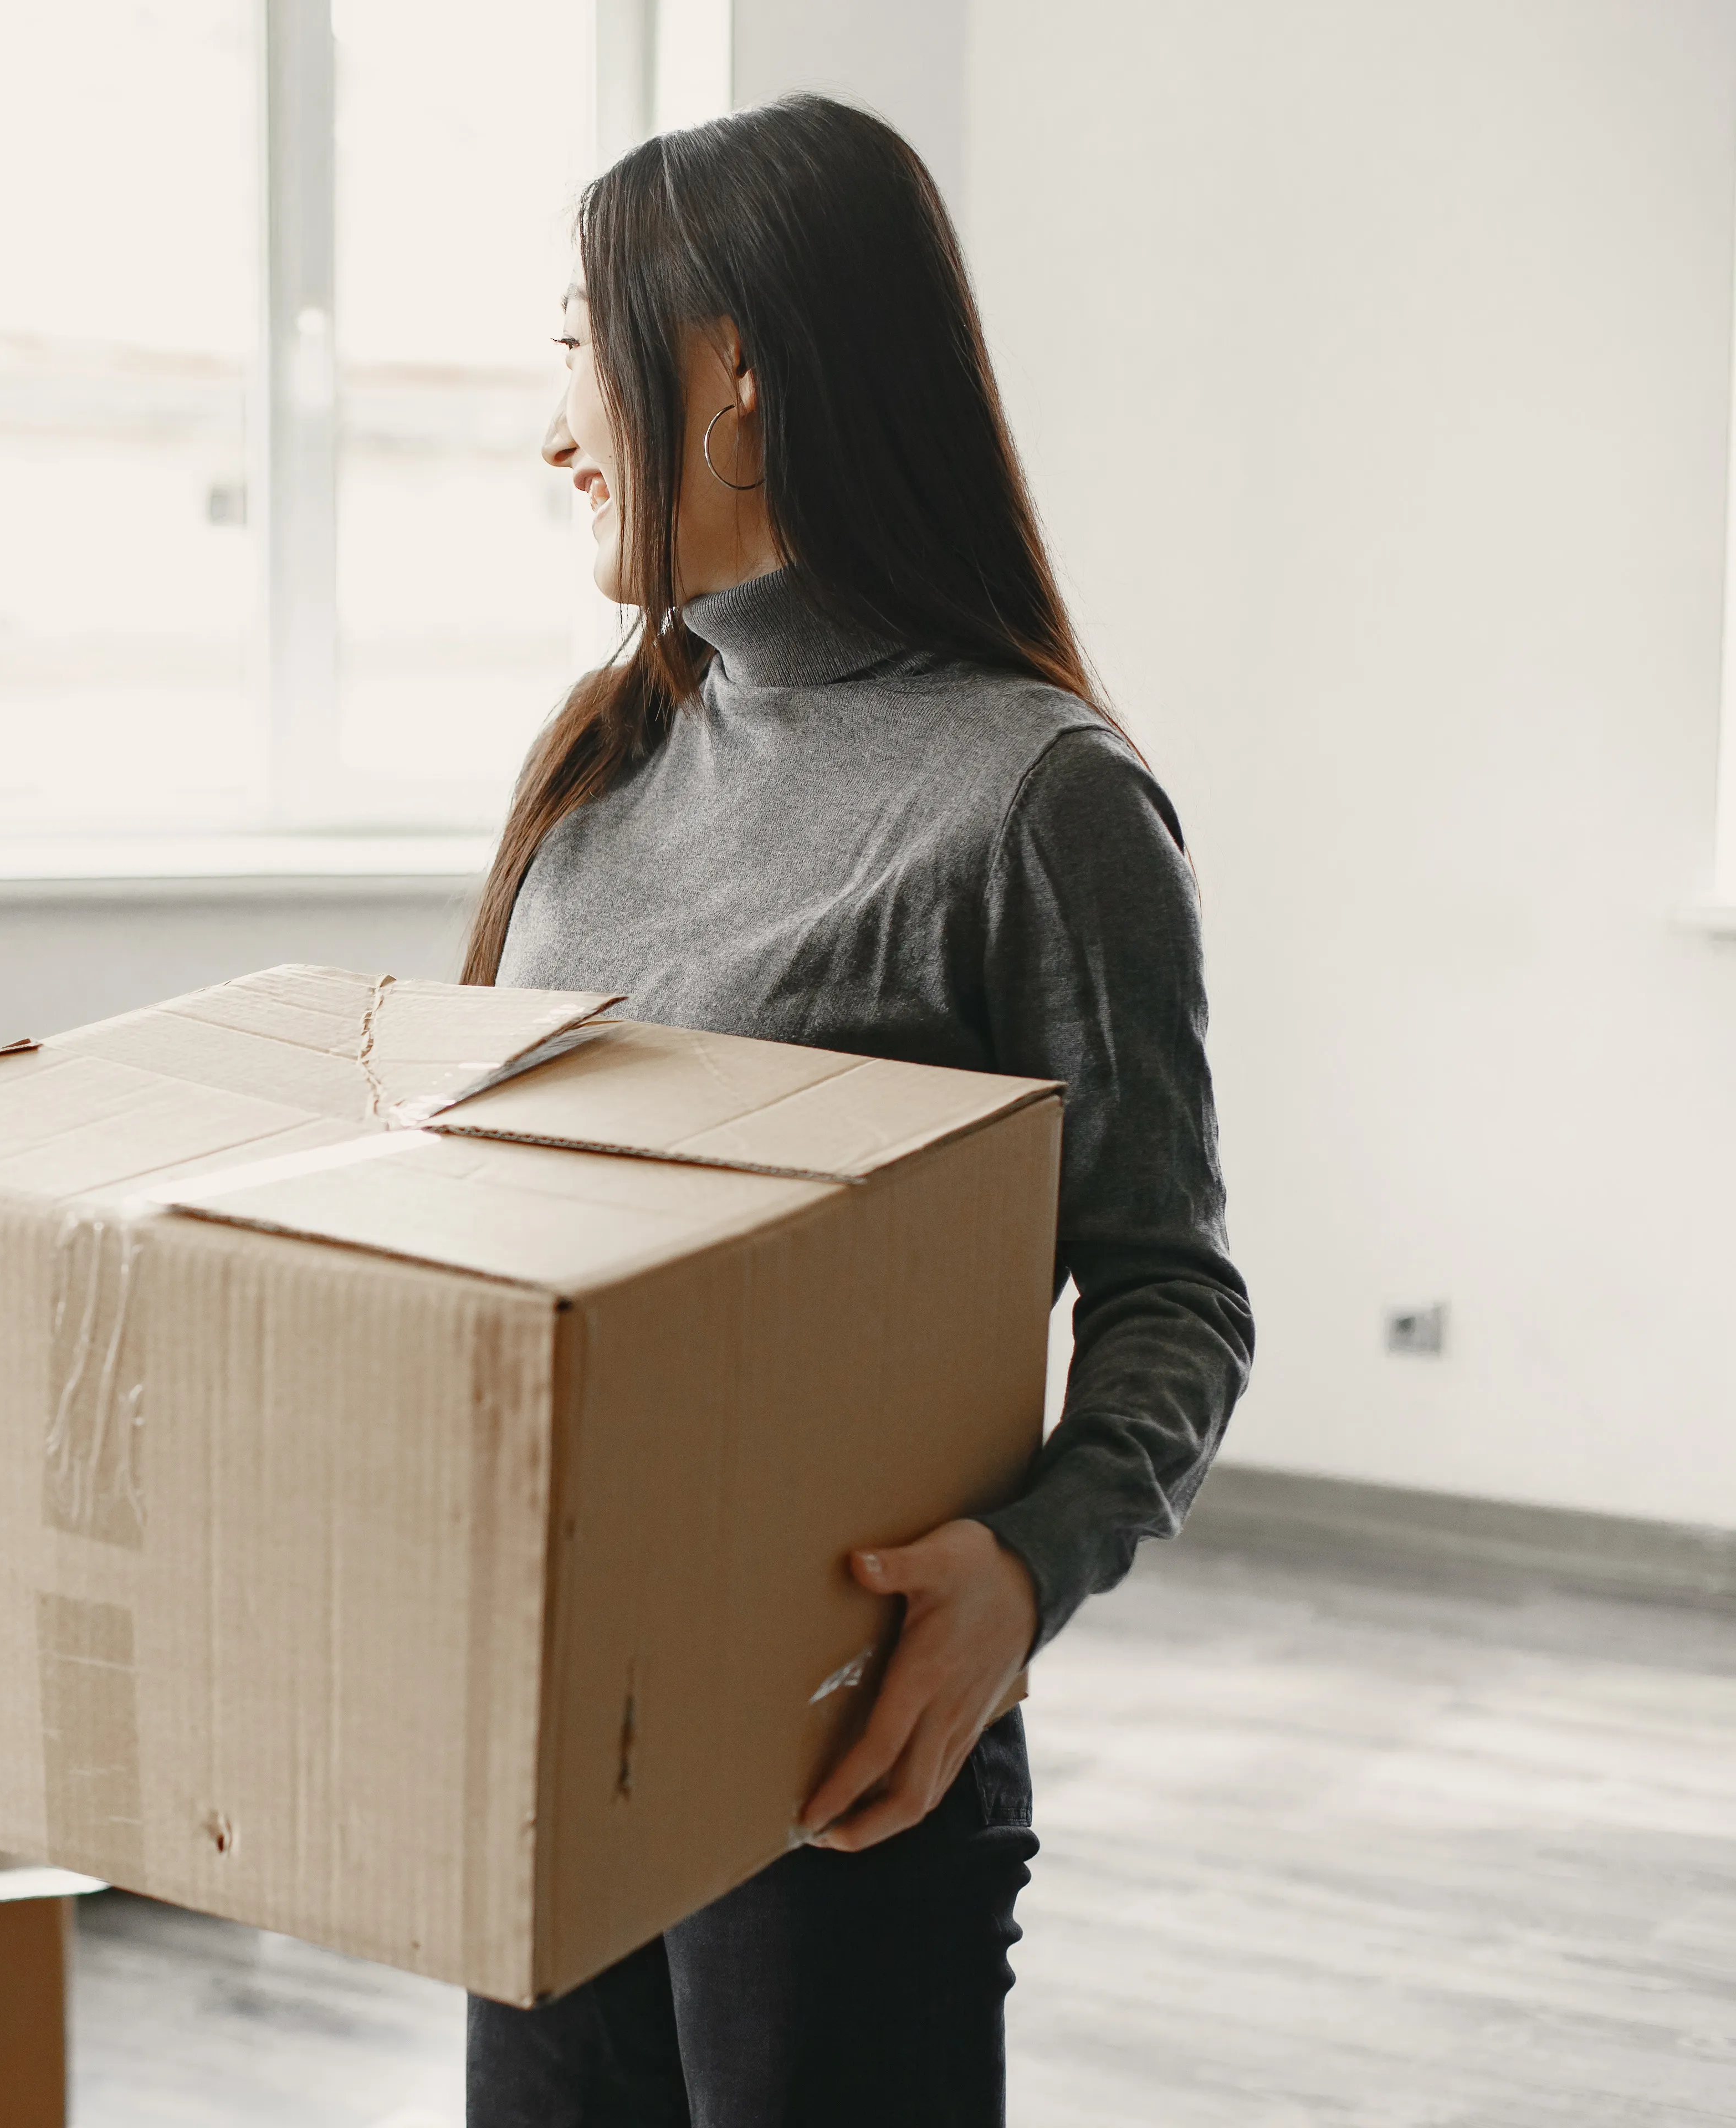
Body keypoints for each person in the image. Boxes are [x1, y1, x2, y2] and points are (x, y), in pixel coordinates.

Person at [465, 97, 1253, 2125]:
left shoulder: (1039, 799)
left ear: (732, 371)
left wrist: (1024, 1568)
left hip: (838, 1764)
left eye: (579, 346)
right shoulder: (604, 756)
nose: (553, 427)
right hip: (541, 1739)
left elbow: (1175, 1294)